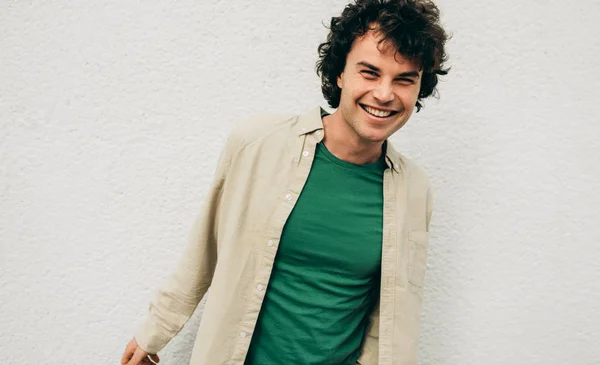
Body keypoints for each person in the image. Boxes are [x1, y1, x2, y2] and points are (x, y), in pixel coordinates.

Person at [121, 0, 449, 364]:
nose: (385, 94)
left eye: (404, 79)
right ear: (340, 73)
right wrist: (156, 330)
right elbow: (205, 248)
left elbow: (390, 312)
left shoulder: (414, 190)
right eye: (370, 72)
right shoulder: (257, 144)